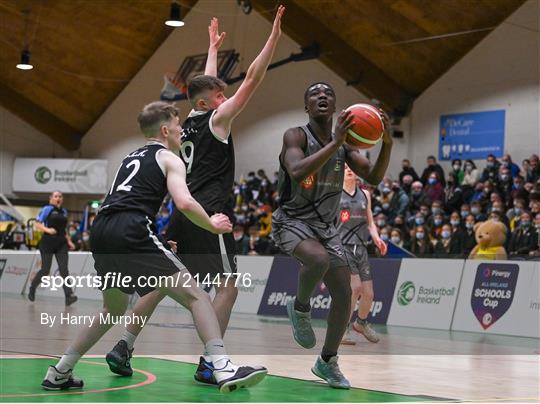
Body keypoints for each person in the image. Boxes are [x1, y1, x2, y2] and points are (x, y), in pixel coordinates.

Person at [105, 10, 285, 384]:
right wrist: (273, 39)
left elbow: (202, 87)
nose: (227, 97)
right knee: (229, 286)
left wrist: (212, 49)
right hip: (208, 213)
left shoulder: (187, 120)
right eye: (221, 95)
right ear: (209, 104)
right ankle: (212, 360)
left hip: (180, 212)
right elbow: (252, 79)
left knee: (162, 281)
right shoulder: (218, 120)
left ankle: (123, 344)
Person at [40, 101, 267, 393]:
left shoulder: (127, 158)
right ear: (164, 130)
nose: (181, 129)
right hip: (132, 230)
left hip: (102, 231)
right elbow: (183, 203)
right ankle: (221, 367)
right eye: (176, 124)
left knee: (113, 309)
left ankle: (60, 371)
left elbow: (123, 198)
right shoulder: (169, 158)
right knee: (197, 296)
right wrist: (212, 225)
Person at [272, 81, 392, 388]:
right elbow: (297, 171)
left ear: (336, 106)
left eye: (327, 93)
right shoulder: (296, 135)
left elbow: (375, 177)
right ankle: (300, 308)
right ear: (307, 106)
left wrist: (387, 143)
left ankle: (327, 361)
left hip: (326, 228)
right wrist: (336, 143)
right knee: (317, 258)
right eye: (314, 93)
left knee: (344, 295)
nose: (322, 96)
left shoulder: (346, 146)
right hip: (291, 221)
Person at [338, 165, 387, 346]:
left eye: (352, 167)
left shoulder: (365, 194)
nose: (349, 170)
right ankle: (342, 329)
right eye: (345, 168)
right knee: (355, 288)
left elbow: (370, 223)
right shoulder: (334, 193)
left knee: (369, 294)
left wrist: (377, 239)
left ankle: (361, 323)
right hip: (342, 246)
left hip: (361, 247)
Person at [28, 191, 78, 306]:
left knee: (64, 269)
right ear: (51, 199)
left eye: (60, 196)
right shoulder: (47, 209)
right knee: (45, 270)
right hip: (47, 242)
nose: (58, 198)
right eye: (56, 196)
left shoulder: (64, 212)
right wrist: (48, 230)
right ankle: (32, 287)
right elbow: (37, 223)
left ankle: (69, 296)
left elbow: (64, 229)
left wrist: (69, 242)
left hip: (61, 243)